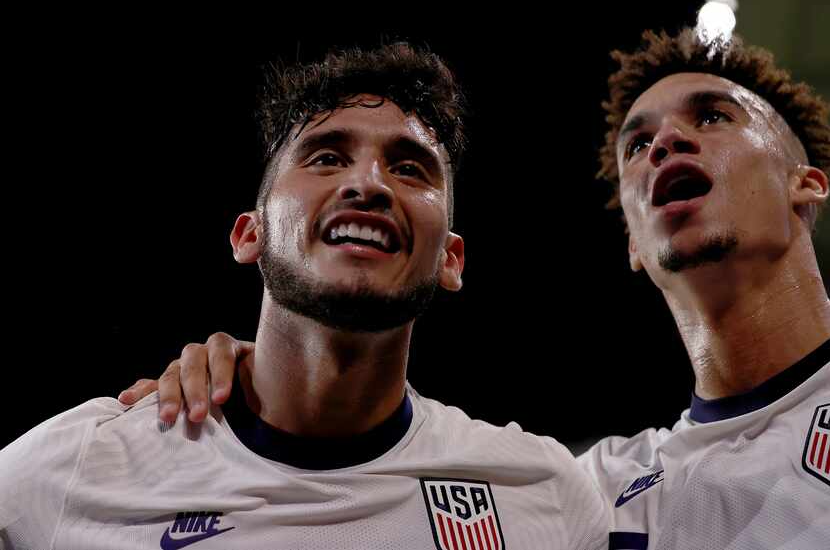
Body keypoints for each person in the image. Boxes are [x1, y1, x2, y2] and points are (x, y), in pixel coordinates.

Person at [126, 28, 830, 548]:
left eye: (712, 116)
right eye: (637, 146)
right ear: (634, 246)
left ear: (809, 182)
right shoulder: (594, 492)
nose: (665, 145)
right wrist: (248, 384)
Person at [0, 44, 610, 550]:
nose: (367, 183)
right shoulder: (76, 465)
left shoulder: (542, 494)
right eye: (326, 157)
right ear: (249, 234)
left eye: (409, 169)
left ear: (450, 259)